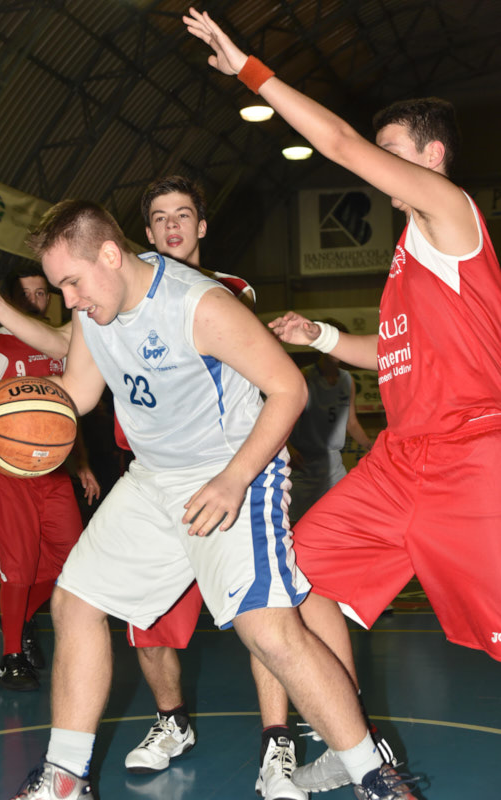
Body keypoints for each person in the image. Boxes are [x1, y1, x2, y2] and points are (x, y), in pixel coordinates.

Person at [0, 198, 418, 800]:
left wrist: (234, 478)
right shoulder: (95, 313)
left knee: (270, 632)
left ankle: (374, 776)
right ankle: (65, 777)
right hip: (154, 479)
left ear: (110, 255)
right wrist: (4, 401)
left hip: (232, 471)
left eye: (72, 282)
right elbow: (75, 392)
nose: (69, 299)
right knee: (75, 602)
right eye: (61, 287)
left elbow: (287, 388)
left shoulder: (197, 304)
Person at [184, 5, 501, 797]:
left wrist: (249, 69)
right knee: (299, 576)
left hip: (471, 459)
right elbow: (393, 353)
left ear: (431, 158)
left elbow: (338, 143)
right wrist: (321, 335)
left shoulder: (450, 215)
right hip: (400, 463)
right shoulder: (411, 256)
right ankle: (356, 741)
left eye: (391, 153)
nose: (374, 167)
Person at [0, 265, 100, 691]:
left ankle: (20, 620)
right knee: (19, 565)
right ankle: (11, 656)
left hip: (52, 468)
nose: (36, 300)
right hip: (2, 472)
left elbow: (62, 414)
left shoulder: (62, 345)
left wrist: (81, 462)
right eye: (27, 293)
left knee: (72, 557)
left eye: (42, 293)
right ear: (9, 298)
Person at [287, 321, 372, 524]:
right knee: (297, 525)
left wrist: (373, 447)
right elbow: (285, 418)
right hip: (305, 466)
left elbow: (351, 423)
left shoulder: (347, 380)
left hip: (334, 466)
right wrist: (289, 448)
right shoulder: (304, 376)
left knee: (342, 521)